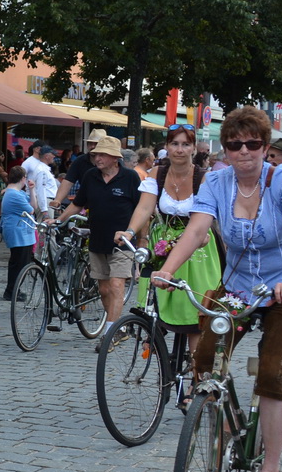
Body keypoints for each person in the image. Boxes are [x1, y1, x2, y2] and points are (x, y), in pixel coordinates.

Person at [152, 106, 282, 472]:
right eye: (235, 144)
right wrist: (167, 270)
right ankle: (223, 419)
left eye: (253, 144)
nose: (244, 151)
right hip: (239, 286)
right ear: (224, 149)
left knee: (273, 373)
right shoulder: (217, 182)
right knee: (205, 356)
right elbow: (196, 229)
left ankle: (270, 469)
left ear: (265, 147)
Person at [119, 125, 222, 360]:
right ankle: (165, 368)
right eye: (175, 144)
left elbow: (208, 216)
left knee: (195, 316)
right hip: (163, 242)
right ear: (166, 147)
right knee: (155, 309)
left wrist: (204, 234)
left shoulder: (204, 177)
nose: (180, 149)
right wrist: (129, 231)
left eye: (186, 144)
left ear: (194, 149)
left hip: (198, 245)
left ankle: (198, 380)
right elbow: (145, 206)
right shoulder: (158, 173)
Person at [61, 135, 141, 325]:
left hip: (123, 242)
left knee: (116, 284)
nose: (97, 158)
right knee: (104, 289)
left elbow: (142, 210)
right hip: (97, 240)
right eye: (96, 155)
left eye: (103, 155)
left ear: (115, 158)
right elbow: (78, 204)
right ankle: (115, 325)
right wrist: (59, 219)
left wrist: (140, 237)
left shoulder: (130, 177)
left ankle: (110, 333)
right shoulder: (91, 176)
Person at [0, 166, 36, 300]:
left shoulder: (15, 192)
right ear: (23, 178)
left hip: (21, 231)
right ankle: (11, 291)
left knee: (20, 262)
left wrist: (32, 190)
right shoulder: (14, 194)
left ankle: (14, 289)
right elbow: (32, 209)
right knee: (18, 263)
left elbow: (34, 206)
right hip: (18, 232)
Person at [55, 129, 107, 207]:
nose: (92, 146)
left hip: (108, 203)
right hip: (85, 204)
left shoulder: (113, 161)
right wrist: (57, 200)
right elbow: (68, 182)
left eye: (96, 144)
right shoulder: (80, 161)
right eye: (90, 143)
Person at [21, 143, 58, 219]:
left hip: (47, 201)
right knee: (45, 228)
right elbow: (41, 190)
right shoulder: (42, 170)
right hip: (46, 201)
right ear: (46, 156)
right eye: (52, 154)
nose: (54, 156)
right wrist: (44, 210)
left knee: (47, 228)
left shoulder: (43, 169)